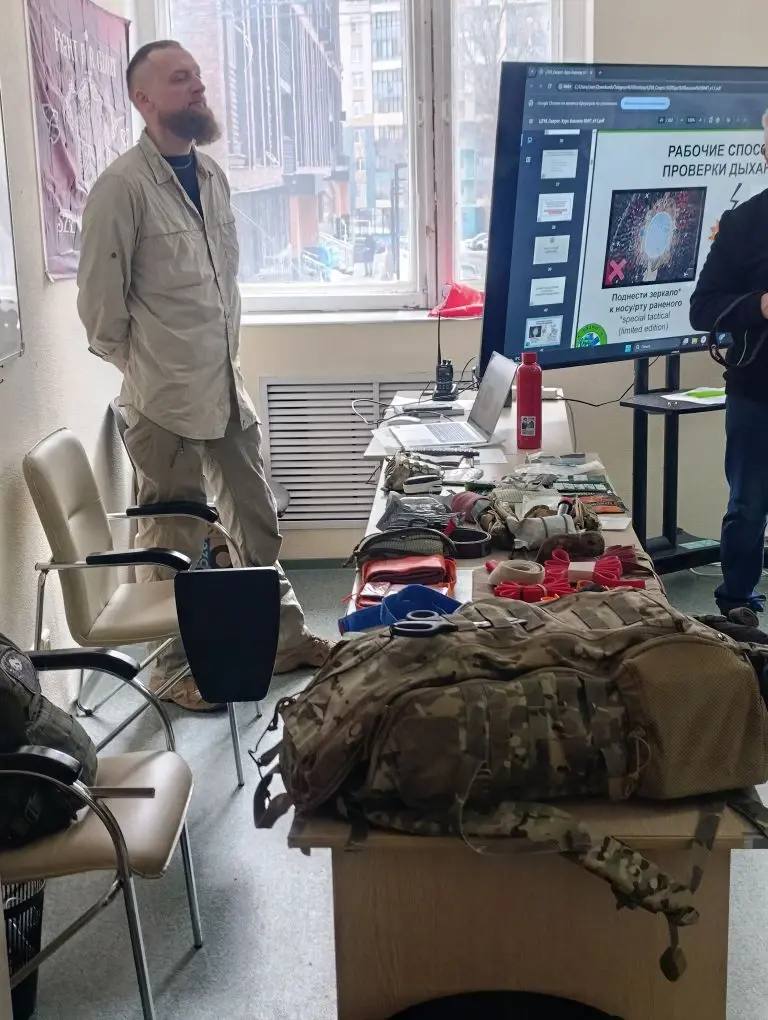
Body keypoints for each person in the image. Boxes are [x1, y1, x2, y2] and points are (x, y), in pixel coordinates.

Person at [77, 40, 333, 710]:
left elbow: (222, 289)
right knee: (173, 541)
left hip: (225, 389)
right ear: (143, 99)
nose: (197, 86)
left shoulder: (213, 176)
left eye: (197, 75)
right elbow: (101, 316)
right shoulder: (122, 189)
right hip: (162, 404)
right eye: (179, 78)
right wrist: (150, 372)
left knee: (255, 519)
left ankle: (282, 638)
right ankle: (170, 668)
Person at [690, 116, 768, 615]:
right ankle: (736, 605)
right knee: (748, 507)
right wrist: (760, 306)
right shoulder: (743, 225)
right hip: (757, 394)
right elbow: (702, 308)